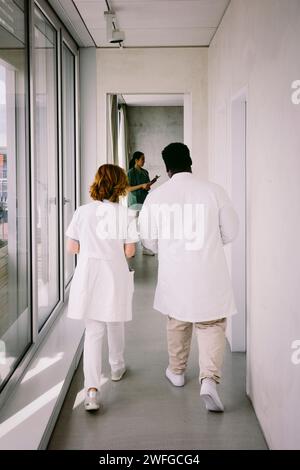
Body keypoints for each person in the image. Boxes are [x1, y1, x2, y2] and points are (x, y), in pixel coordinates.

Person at [139, 143, 239, 412]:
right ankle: (209, 380)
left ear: (167, 167)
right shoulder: (214, 191)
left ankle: (177, 371)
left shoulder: (157, 197)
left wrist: (169, 248)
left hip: (175, 271)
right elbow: (230, 233)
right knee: (212, 324)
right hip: (209, 271)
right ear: (190, 161)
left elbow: (148, 241)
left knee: (177, 320)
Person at [66, 164, 139, 411]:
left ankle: (92, 391)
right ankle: (117, 367)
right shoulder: (126, 214)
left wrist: (90, 246)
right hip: (114, 273)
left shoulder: (82, 212)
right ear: (120, 185)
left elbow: (72, 248)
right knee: (115, 321)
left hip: (88, 275)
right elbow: (130, 251)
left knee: (93, 331)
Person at [127, 151, 159, 256]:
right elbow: (128, 188)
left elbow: (147, 186)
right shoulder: (130, 173)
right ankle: (130, 250)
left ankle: (145, 248)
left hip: (144, 200)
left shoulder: (145, 172)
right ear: (136, 160)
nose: (144, 161)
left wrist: (151, 182)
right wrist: (141, 186)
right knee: (133, 226)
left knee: (144, 225)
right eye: (142, 159)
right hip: (134, 202)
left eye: (144, 159)